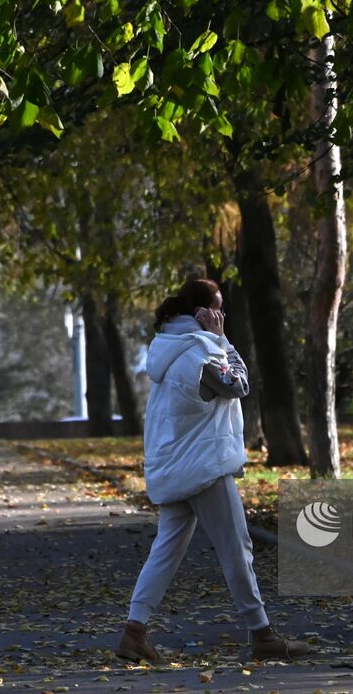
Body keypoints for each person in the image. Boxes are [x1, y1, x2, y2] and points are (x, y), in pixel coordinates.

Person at [116, 279, 311, 663]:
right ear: (203, 313)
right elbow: (238, 385)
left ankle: (133, 632)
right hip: (204, 467)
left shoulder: (168, 348)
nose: (223, 315)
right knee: (237, 548)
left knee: (165, 552)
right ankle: (261, 634)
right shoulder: (200, 352)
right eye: (218, 308)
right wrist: (224, 340)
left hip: (178, 465)